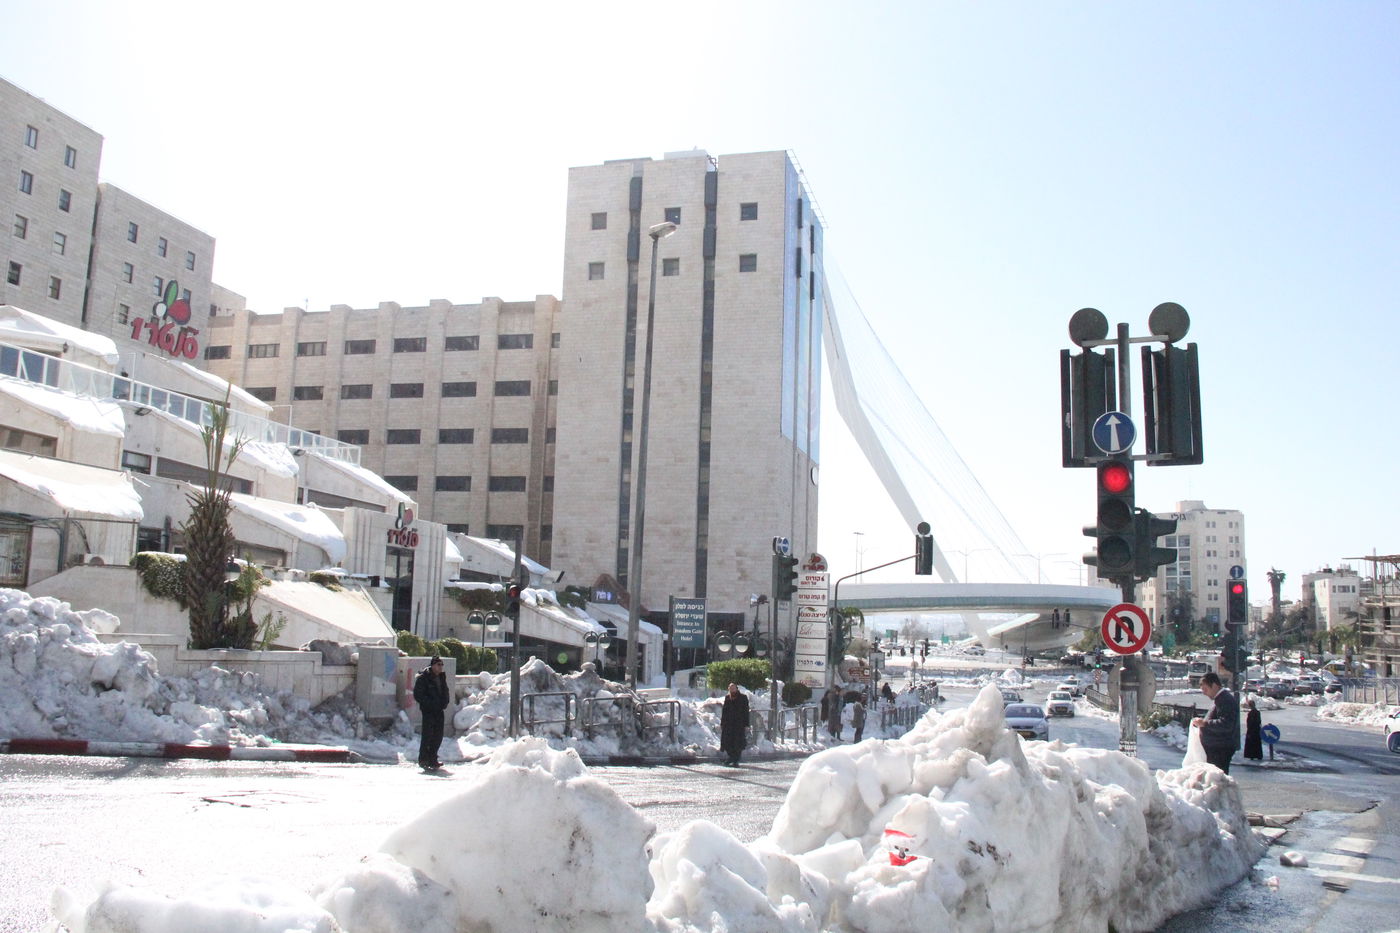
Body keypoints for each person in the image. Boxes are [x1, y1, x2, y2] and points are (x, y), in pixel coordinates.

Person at [1191, 671, 1240, 774]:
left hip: (1220, 749)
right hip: (1217, 748)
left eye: (1205, 689)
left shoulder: (1225, 700)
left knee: (1218, 780)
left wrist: (1205, 723)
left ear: (1214, 685)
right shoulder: (1220, 699)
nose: (1204, 692)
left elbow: (1227, 724)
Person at [413, 655, 449, 771]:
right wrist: (429, 704)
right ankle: (423, 759)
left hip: (439, 710)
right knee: (427, 735)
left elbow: (445, 692)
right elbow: (418, 695)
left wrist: (444, 702)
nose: (440, 667)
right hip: (428, 711)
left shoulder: (441, 678)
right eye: (438, 665)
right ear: (433, 665)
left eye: (441, 665)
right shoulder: (423, 678)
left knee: (438, 735)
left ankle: (433, 759)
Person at [719, 682, 749, 766]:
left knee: (737, 743)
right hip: (728, 724)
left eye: (733, 688)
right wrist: (722, 723)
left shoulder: (743, 697)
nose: (732, 689)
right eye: (730, 688)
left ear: (736, 688)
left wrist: (747, 724)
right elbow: (724, 711)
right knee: (727, 742)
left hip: (739, 724)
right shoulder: (727, 698)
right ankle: (731, 757)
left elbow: (746, 711)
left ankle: (735, 760)